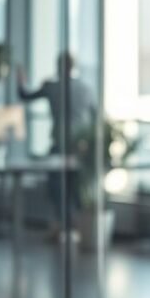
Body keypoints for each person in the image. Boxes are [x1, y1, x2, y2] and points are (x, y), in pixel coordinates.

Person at [17, 52, 97, 235]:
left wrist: (21, 79)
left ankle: (64, 224)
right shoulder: (85, 88)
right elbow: (95, 117)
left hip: (61, 145)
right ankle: (70, 225)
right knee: (74, 187)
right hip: (80, 147)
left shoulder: (53, 87)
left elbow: (24, 95)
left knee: (57, 186)